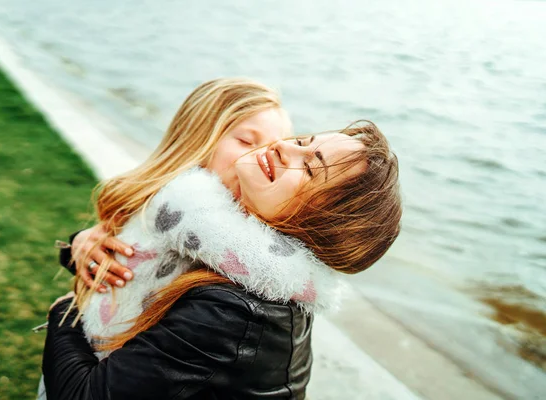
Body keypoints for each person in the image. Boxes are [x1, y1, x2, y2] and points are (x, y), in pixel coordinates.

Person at [42, 79, 402, 399]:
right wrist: (83, 246)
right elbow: (132, 272)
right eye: (303, 141)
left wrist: (63, 310)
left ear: (317, 221)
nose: (278, 149)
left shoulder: (237, 307)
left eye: (309, 168)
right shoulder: (214, 241)